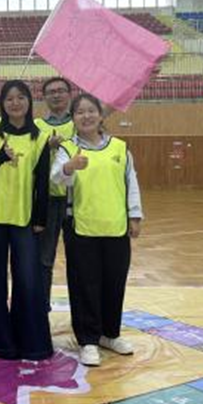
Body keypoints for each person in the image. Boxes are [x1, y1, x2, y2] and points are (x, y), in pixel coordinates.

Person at [51, 93, 143, 367]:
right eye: (80, 112)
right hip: (81, 228)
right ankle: (88, 340)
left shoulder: (120, 148)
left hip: (115, 227)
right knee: (85, 285)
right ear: (73, 118)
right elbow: (56, 178)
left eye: (91, 111)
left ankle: (109, 334)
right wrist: (69, 167)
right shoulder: (68, 148)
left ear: (100, 116)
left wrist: (134, 215)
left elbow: (131, 182)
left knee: (114, 282)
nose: (86, 116)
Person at [0, 80, 52, 360]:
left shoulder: (41, 138)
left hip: (24, 219)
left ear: (29, 102)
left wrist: (40, 218)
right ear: (2, 104)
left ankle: (31, 342)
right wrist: (0, 157)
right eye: (9, 98)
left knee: (28, 280)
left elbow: (42, 181)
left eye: (21, 97)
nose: (15, 103)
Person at [34, 77, 75, 311]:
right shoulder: (37, 125)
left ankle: (82, 310)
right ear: (44, 97)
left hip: (76, 201)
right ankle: (41, 308)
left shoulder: (80, 122)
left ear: (69, 94)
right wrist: (45, 147)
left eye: (61, 91)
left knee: (79, 260)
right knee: (44, 259)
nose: (56, 95)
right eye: (51, 92)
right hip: (47, 200)